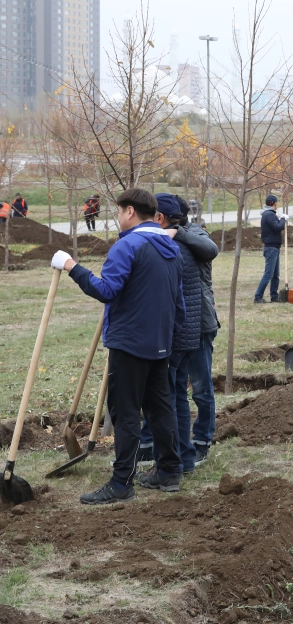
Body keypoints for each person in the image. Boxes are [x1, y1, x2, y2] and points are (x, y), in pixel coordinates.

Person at [52, 188, 184, 504]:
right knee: (159, 408)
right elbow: (176, 302)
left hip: (130, 344)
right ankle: (169, 471)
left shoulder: (128, 245)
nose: (117, 218)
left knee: (125, 413)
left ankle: (121, 483)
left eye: (118, 212)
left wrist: (72, 266)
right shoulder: (171, 246)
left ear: (129, 212)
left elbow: (107, 290)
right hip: (159, 344)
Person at [137, 194, 211, 475]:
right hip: (184, 333)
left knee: (166, 398)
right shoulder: (178, 245)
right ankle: (184, 458)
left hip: (173, 335)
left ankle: (171, 462)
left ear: (160, 218)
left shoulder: (173, 247)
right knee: (177, 395)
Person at [172, 197, 220, 465]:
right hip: (177, 325)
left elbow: (210, 249)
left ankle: (202, 440)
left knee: (201, 387)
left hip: (200, 323)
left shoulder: (195, 233)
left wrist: (178, 232)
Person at [254, 194, 287, 303]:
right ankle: (258, 297)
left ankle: (274, 296)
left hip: (274, 247)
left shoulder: (268, 214)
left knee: (275, 275)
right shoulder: (269, 215)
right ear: (274, 203)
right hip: (271, 248)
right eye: (276, 203)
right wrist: (283, 219)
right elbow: (277, 227)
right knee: (269, 274)